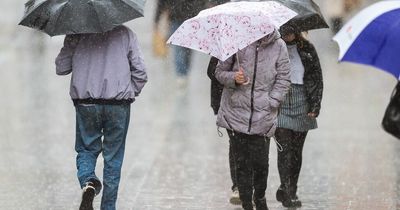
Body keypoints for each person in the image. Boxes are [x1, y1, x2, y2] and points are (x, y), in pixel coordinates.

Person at [55, 25, 148, 210]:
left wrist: (72, 42)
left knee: (86, 150)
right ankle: (108, 207)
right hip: (118, 105)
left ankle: (88, 182)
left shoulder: (77, 32)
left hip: (86, 103)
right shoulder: (125, 34)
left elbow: (61, 67)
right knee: (113, 159)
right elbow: (140, 72)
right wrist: (129, 92)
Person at [215, 29, 291, 210]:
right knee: (241, 162)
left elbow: (284, 77)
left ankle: (260, 197)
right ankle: (247, 203)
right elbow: (219, 72)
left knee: (260, 162)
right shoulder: (235, 41)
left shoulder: (279, 46)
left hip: (263, 115)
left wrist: (272, 100)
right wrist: (234, 77)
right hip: (236, 113)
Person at [275, 23, 323, 208]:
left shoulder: (308, 49)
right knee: (284, 150)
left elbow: (316, 78)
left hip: (302, 101)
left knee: (296, 152)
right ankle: (285, 190)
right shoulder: (273, 48)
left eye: (291, 30)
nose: (288, 35)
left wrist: (315, 105)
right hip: (280, 103)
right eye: (284, 31)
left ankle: (291, 189)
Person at [153, 0, 207, 86]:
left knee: (188, 48)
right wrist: (157, 19)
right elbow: (161, 2)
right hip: (176, 18)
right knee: (178, 48)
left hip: (191, 18)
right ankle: (181, 73)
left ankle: (184, 71)